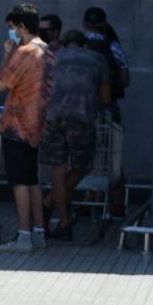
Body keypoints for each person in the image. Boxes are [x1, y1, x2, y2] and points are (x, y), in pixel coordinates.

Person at [0, 3, 55, 253]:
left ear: (21, 26)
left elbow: (1, 83)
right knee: (32, 180)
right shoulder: (48, 52)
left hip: (17, 124)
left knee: (19, 181)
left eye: (13, 28)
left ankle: (23, 236)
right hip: (37, 124)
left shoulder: (25, 51)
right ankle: (38, 232)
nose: (13, 33)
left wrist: (8, 53)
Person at [40, 30, 111, 241]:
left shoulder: (51, 56)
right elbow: (106, 98)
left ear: (64, 44)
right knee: (84, 166)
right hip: (82, 117)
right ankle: (48, 204)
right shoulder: (97, 58)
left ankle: (62, 221)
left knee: (57, 168)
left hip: (51, 117)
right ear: (84, 45)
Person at [83, 7, 129, 121]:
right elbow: (125, 80)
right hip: (107, 105)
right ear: (104, 24)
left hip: (81, 106)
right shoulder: (114, 46)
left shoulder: (79, 46)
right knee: (110, 136)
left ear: (85, 24)